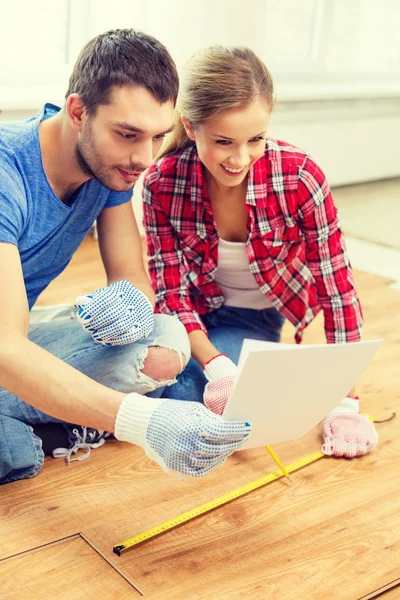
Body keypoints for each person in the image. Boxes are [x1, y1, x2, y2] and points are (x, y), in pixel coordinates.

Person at [0, 31, 251, 485]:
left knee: (166, 341)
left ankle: (57, 410)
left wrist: (132, 307)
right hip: (4, 345)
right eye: (128, 134)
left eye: (158, 136)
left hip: (12, 331)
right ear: (78, 112)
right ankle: (49, 419)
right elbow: (5, 348)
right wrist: (141, 422)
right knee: (14, 457)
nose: (143, 158)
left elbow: (132, 275)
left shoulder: (110, 166)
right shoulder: (6, 174)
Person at [142, 45, 378, 459]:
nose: (240, 158)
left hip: (252, 317)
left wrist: (346, 401)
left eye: (256, 139)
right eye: (223, 141)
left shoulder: (300, 178)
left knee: (181, 402)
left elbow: (337, 289)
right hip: (186, 316)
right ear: (190, 126)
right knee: (139, 380)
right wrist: (216, 366)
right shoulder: (161, 183)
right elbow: (171, 294)